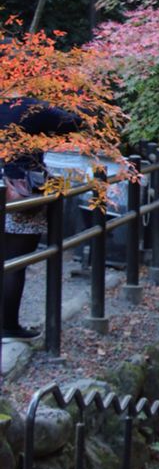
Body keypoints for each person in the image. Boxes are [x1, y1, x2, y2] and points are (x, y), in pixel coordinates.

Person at [1, 97, 83, 341]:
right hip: (18, 187)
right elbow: (74, 123)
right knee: (15, 260)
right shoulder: (29, 106)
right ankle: (8, 326)